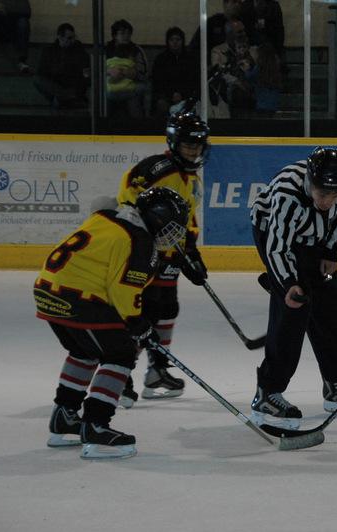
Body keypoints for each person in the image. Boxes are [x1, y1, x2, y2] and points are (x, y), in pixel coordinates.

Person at [37, 187, 190, 459]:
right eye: (172, 223)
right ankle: (96, 427)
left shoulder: (109, 218)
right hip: (79, 299)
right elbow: (124, 291)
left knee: (84, 351)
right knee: (120, 354)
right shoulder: (140, 240)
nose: (174, 231)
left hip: (47, 292)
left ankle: (64, 418)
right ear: (157, 217)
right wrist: (139, 324)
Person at [249, 147, 337, 429]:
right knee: (293, 313)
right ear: (309, 181)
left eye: (334, 194)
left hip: (318, 237)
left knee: (331, 309)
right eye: (321, 193)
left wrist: (332, 252)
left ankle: (335, 383)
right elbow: (278, 247)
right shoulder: (287, 194)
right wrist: (288, 283)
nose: (328, 200)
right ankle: (267, 392)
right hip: (277, 235)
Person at [115, 106, 211, 407]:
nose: (193, 151)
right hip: (144, 254)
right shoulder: (155, 170)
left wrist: (191, 253)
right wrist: (144, 246)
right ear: (173, 143)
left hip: (170, 256)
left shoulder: (192, 177)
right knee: (140, 314)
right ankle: (119, 373)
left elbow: (187, 220)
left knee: (167, 309)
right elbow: (127, 207)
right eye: (187, 145)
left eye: (197, 146)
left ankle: (157, 369)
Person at [33, 23, 90, 110]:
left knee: (58, 100)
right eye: (69, 38)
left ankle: (62, 99)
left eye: (74, 37)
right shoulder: (49, 51)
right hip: (56, 84)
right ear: (60, 37)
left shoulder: (79, 51)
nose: (73, 40)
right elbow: (41, 72)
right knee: (37, 79)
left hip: (72, 84)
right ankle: (66, 98)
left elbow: (85, 72)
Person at [150, 26, 200, 117]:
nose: (175, 42)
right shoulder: (161, 59)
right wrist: (171, 94)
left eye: (178, 39)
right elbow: (158, 81)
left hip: (187, 96)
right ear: (167, 42)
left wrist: (182, 94)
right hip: (166, 96)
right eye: (172, 39)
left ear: (182, 41)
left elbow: (194, 80)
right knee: (161, 104)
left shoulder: (190, 59)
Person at [105, 19, 148, 118]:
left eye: (129, 33)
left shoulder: (136, 50)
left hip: (131, 84)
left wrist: (132, 73)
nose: (126, 36)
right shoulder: (106, 49)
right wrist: (109, 72)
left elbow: (144, 73)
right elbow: (95, 69)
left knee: (138, 91)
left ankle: (135, 128)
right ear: (114, 35)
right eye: (122, 33)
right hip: (110, 84)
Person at [0, 0, 31, 73]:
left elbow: (26, 10)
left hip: (11, 19)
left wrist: (5, 8)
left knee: (23, 23)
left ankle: (22, 61)